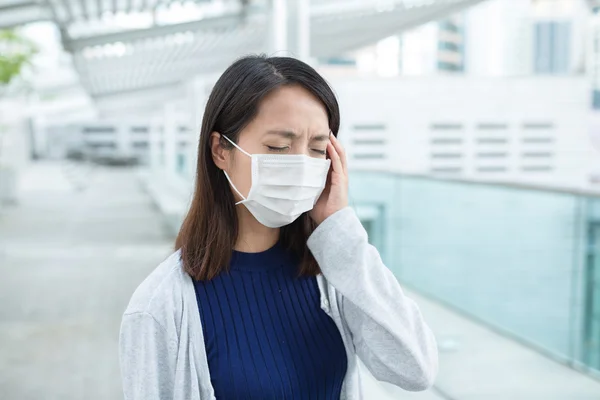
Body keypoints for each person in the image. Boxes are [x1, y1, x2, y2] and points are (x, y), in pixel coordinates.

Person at [119, 55, 438, 400]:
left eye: (317, 149)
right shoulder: (159, 306)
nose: (301, 164)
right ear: (220, 150)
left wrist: (339, 227)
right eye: (278, 147)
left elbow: (415, 369)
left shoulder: (331, 275)